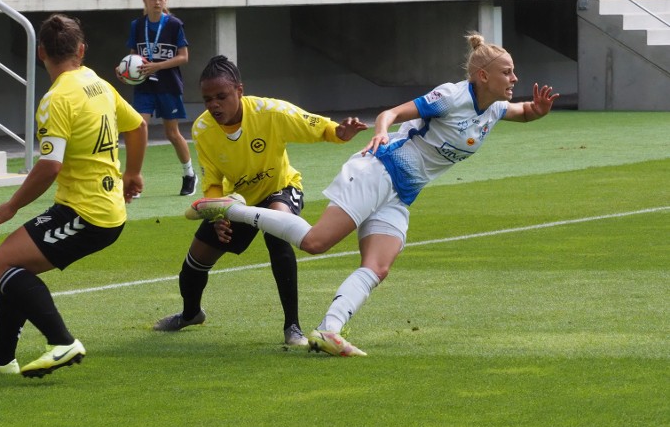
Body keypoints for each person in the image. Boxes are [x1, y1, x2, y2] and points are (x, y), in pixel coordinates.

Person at [186, 33, 560, 356]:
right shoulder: (451, 96)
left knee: (378, 266)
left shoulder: (493, 107)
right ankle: (231, 210)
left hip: (402, 192)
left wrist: (539, 111)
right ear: (483, 75)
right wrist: (381, 132)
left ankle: (328, 330)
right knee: (316, 242)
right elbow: (392, 113)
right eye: (507, 71)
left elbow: (523, 110)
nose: (515, 77)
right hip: (378, 171)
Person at [0, 14, 147, 378]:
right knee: (13, 263)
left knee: (0, 265)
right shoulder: (99, 84)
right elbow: (138, 126)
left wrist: (12, 205)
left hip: (88, 213)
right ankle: (1, 360)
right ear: (82, 50)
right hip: (99, 208)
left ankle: (62, 342)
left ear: (40, 51)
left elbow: (50, 166)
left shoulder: (56, 99)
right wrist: (133, 173)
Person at [154, 55, 368, 346]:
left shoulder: (270, 111)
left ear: (239, 91)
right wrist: (218, 216)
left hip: (281, 188)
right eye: (207, 99)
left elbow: (316, 126)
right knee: (194, 263)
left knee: (277, 230)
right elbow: (213, 182)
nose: (214, 105)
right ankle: (191, 313)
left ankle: (292, 327)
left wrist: (340, 133)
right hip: (239, 199)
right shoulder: (203, 129)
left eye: (221, 96)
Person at [123, 0, 197, 196]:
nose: (157, 2)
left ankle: (189, 174)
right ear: (144, 0)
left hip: (168, 85)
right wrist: (124, 71)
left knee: (172, 133)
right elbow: (132, 57)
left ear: (166, 0)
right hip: (144, 87)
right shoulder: (137, 25)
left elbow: (184, 57)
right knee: (138, 129)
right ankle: (135, 180)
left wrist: (157, 66)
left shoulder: (174, 24)